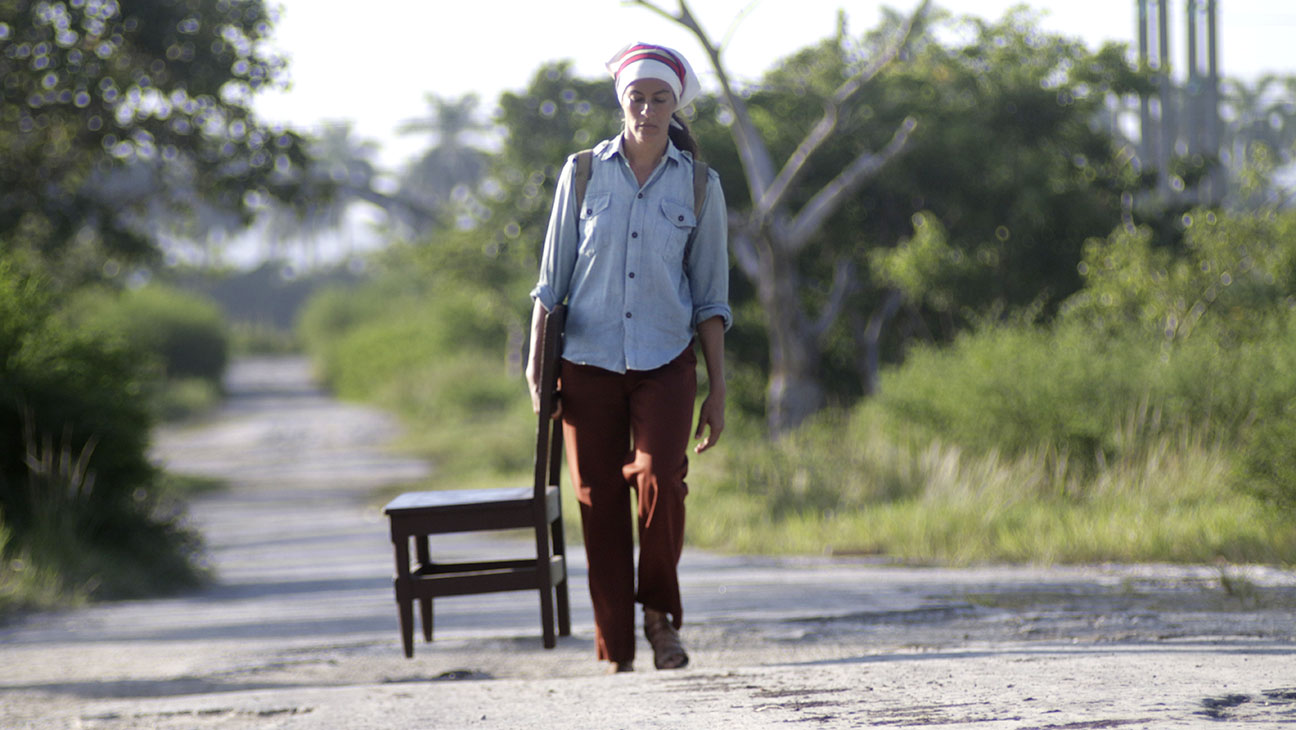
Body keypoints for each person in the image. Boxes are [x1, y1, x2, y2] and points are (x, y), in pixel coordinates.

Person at [525, 42, 730, 674]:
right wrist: (538, 366)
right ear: (622, 102)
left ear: (675, 105)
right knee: (596, 498)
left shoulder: (700, 184)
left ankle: (659, 619)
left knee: (659, 477)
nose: (646, 109)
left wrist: (717, 388)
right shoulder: (582, 172)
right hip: (585, 362)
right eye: (636, 98)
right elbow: (551, 280)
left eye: (659, 98)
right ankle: (616, 648)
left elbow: (711, 297)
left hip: (666, 362)